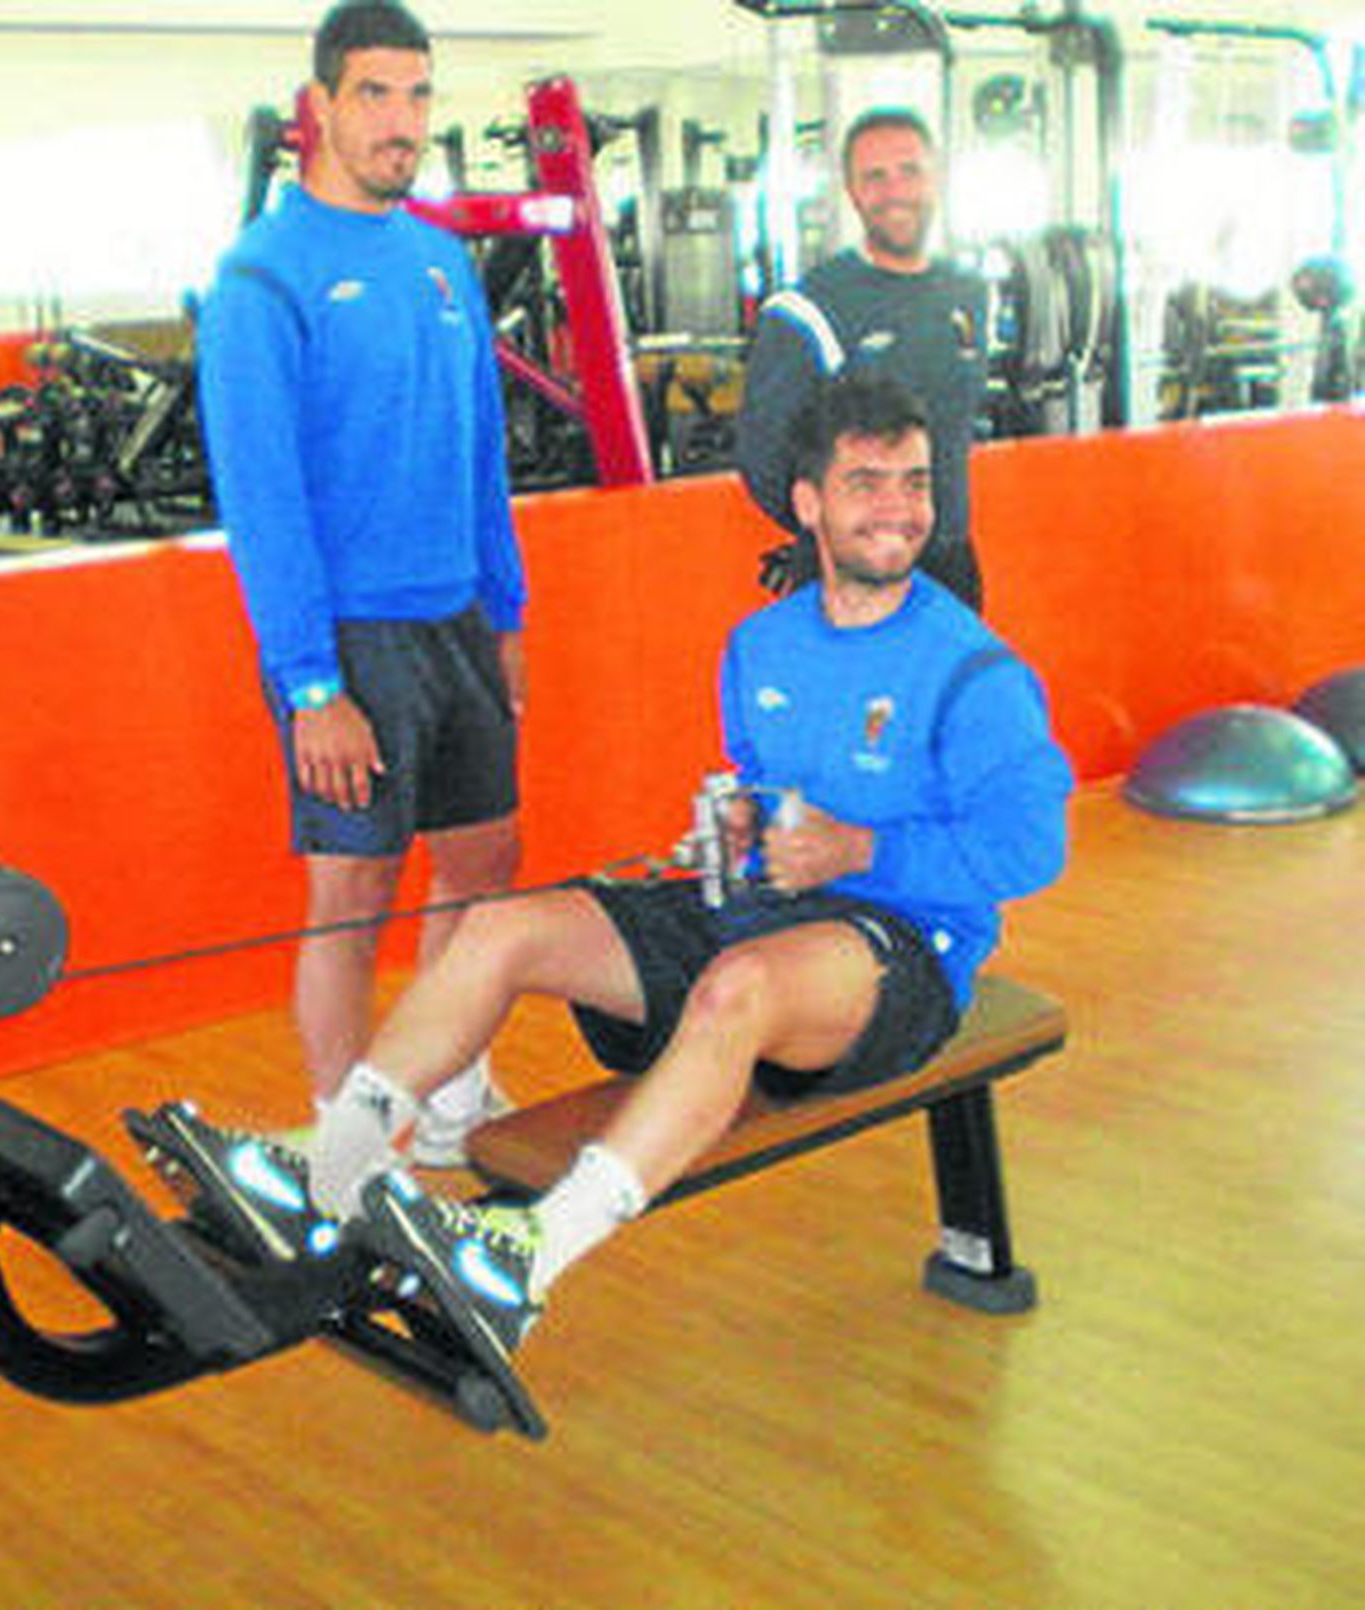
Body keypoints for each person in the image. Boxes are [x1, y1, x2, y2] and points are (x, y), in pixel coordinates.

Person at [135, 372, 1072, 1375]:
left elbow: (1032, 845)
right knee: (500, 925)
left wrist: (862, 851)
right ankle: (331, 1160)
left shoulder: (974, 670)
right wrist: (736, 832)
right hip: (765, 914)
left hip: (900, 957)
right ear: (808, 500)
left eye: (912, 482)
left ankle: (526, 1256)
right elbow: (762, 796)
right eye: (867, 481)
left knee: (736, 989)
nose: (896, 507)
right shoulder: (761, 644)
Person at [194, 1, 527, 1166]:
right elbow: (262, 502)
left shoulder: (440, 263)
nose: (402, 121)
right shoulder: (262, 277)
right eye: (376, 95)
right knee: (353, 891)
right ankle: (345, 1145)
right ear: (320, 109)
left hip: (455, 621)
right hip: (347, 637)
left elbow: (482, 454)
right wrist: (307, 684)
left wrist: (508, 611)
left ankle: (442, 1084)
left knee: (487, 866)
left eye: (418, 95)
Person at [737, 107, 988, 611]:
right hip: (853, 576)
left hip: (947, 567)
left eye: (909, 171)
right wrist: (849, 536)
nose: (894, 191)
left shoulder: (967, 293)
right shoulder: (808, 309)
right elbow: (763, 462)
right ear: (851, 192)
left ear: (936, 180)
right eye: (875, 177)